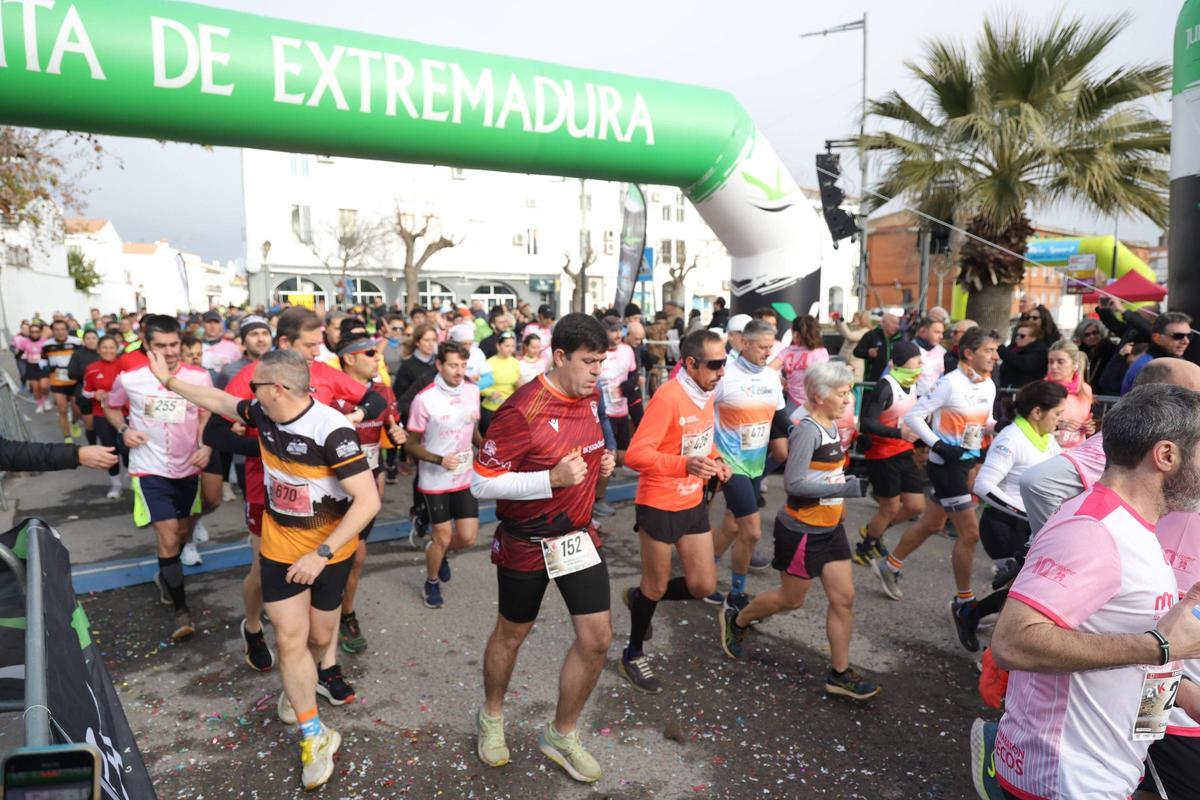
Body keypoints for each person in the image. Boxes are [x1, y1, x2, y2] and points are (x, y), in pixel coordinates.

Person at [148, 347, 380, 792]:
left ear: (278, 388)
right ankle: (315, 734)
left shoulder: (332, 430)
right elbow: (219, 401)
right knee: (289, 638)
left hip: (329, 550)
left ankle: (301, 687)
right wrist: (170, 382)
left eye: (255, 385)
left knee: (317, 637)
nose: (248, 393)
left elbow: (367, 501)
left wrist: (323, 554)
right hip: (279, 547)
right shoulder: (265, 413)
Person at [987, 383, 1200, 800]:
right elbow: (1012, 643)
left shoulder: (1136, 527)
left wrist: (1186, 694)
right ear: (1167, 456)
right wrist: (1159, 646)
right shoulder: (1094, 530)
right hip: (1063, 780)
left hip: (1106, 771)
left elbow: (1133, 647)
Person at [470, 313, 616, 783]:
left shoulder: (591, 398)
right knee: (512, 635)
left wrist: (602, 468)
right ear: (559, 357)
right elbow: (480, 483)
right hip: (526, 542)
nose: (597, 371)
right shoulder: (521, 409)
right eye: (589, 361)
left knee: (597, 639)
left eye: (602, 361)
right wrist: (548, 479)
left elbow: (583, 457)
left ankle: (562, 733)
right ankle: (492, 716)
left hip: (576, 537)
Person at [218, 307, 389, 697]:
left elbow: (374, 401)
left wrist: (350, 421)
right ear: (285, 346)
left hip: (329, 505)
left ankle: (325, 669)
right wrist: (273, 445)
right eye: (310, 345)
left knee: (326, 595)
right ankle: (252, 627)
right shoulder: (255, 376)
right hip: (268, 496)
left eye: (321, 342)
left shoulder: (325, 372)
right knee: (266, 577)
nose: (320, 350)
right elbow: (217, 429)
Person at [718, 361, 879, 700]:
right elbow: (795, 483)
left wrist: (839, 503)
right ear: (819, 396)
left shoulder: (832, 424)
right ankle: (739, 619)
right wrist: (844, 488)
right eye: (842, 393)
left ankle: (839, 673)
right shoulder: (807, 429)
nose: (849, 398)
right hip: (802, 529)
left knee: (844, 598)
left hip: (830, 528)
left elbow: (827, 472)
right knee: (792, 600)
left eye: (849, 391)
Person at [618, 330, 731, 694]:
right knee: (656, 584)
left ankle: (639, 601)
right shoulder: (669, 397)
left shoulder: (705, 391)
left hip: (691, 500)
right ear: (691, 363)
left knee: (703, 585)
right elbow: (636, 455)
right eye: (715, 364)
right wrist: (686, 465)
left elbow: (701, 438)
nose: (722, 371)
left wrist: (716, 460)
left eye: (724, 362)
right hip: (659, 503)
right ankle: (633, 653)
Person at [874, 328, 1000, 645]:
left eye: (996, 350)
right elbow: (915, 419)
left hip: (967, 462)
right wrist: (939, 445)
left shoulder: (989, 384)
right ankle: (963, 601)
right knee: (970, 534)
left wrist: (998, 426)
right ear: (969, 353)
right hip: (946, 467)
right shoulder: (948, 383)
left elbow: (983, 421)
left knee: (931, 522)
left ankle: (889, 565)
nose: (996, 356)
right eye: (989, 350)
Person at [103, 314, 213, 642]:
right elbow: (110, 407)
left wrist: (206, 444)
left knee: (180, 533)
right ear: (147, 346)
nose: (169, 352)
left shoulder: (199, 377)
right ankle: (181, 610)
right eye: (161, 346)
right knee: (167, 537)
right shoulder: (130, 378)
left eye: (174, 344)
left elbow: (207, 413)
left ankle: (166, 574)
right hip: (149, 468)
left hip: (188, 466)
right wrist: (124, 429)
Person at [955, 380, 1066, 651]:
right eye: (1057, 414)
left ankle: (972, 615)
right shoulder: (1011, 438)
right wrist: (1025, 512)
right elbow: (982, 486)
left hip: (1029, 527)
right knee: (1020, 592)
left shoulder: (1046, 438)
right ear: (1037, 412)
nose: (1059, 421)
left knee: (1023, 591)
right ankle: (995, 656)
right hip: (1002, 526)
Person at [330, 333, 405, 653]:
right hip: (331, 485)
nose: (379, 358)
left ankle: (344, 614)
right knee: (343, 555)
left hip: (369, 479)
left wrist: (397, 434)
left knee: (355, 558)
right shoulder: (328, 391)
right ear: (349, 358)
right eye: (371, 353)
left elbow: (392, 428)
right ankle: (329, 616)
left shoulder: (383, 390)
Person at [708, 320, 786, 609]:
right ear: (744, 344)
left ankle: (704, 573)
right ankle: (737, 594)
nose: (768, 353)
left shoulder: (770, 377)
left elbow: (780, 417)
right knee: (751, 531)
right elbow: (701, 411)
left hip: (756, 463)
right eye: (762, 347)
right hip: (730, 464)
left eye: (771, 347)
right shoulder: (724, 376)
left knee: (731, 525)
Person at [405, 341, 481, 609]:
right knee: (442, 536)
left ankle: (438, 553)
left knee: (468, 538)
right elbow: (410, 443)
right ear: (439, 365)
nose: (459, 371)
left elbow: (471, 427)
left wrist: (484, 447)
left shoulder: (472, 390)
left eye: (463, 365)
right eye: (453, 365)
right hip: (435, 478)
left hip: (464, 474)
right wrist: (439, 459)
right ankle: (432, 581)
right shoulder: (424, 399)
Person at [853, 342, 924, 566]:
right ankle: (864, 549)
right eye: (917, 360)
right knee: (890, 507)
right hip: (882, 453)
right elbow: (867, 422)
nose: (921, 364)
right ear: (904, 361)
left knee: (915, 506)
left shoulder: (913, 385)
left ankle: (874, 531)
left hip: (904, 451)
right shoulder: (886, 386)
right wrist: (897, 432)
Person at [593, 316, 638, 517]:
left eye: (620, 330)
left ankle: (600, 491)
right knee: (607, 457)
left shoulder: (627, 350)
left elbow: (633, 373)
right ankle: (597, 499)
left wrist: (631, 384)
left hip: (622, 409)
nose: (618, 334)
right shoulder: (597, 352)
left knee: (620, 456)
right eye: (614, 330)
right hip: (603, 412)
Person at [81, 335, 124, 499]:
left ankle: (135, 480)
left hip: (125, 414)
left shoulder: (124, 366)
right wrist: (94, 394)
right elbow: (85, 392)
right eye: (104, 347)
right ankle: (116, 484)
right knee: (110, 450)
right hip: (101, 415)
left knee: (128, 451)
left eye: (111, 347)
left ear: (117, 348)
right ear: (99, 350)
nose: (108, 350)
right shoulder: (92, 368)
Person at [1121, 311, 1193, 395]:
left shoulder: (1176, 361)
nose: (1186, 341)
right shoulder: (1146, 367)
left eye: (1189, 336)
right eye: (1178, 336)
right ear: (1157, 338)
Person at [1044, 339, 1094, 449]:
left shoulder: (1085, 389)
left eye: (1060, 362)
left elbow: (1083, 422)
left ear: (1075, 365)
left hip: (1077, 450)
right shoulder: (1043, 388)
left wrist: (1088, 427)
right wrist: (1057, 425)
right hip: (1050, 450)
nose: (1054, 366)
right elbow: (1033, 424)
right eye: (1050, 361)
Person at [41, 319, 83, 443]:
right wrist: (45, 374)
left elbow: (82, 358)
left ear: (67, 330)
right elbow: (42, 361)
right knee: (62, 409)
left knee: (77, 410)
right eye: (57, 330)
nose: (60, 332)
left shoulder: (76, 342)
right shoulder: (47, 345)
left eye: (63, 329)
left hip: (74, 381)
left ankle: (74, 423)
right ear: (53, 331)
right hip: (57, 381)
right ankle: (67, 437)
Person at [775, 315, 828, 408]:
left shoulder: (788, 351)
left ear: (796, 333)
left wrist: (782, 381)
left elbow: (768, 370)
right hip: (814, 401)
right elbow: (823, 378)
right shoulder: (820, 352)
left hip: (793, 401)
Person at [66, 329, 100, 449]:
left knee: (105, 424)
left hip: (103, 393)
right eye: (88, 338)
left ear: (98, 340)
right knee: (90, 424)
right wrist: (89, 373)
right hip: (84, 392)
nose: (91, 341)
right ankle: (93, 447)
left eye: (94, 338)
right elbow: (71, 374)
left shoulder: (103, 352)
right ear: (84, 341)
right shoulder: (77, 354)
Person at [481, 331, 520, 434]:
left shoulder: (516, 363)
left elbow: (517, 385)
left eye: (512, 346)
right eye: (507, 346)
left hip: (509, 409)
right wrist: (490, 393)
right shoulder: (488, 363)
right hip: (490, 408)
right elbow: (479, 386)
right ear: (498, 346)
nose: (510, 349)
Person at [997, 320, 1048, 390]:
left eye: (1022, 336)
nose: (1018, 338)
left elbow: (1022, 363)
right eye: (1016, 335)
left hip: (1024, 390)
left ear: (1033, 338)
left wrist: (1000, 347)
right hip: (1005, 388)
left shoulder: (1039, 350)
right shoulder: (1013, 347)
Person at [853, 311, 903, 383]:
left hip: (893, 381)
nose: (897, 326)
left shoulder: (900, 338)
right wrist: (868, 352)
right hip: (873, 381)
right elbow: (856, 351)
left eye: (898, 324)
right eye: (894, 323)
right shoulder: (871, 335)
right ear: (883, 322)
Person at [1073, 318, 1116, 387]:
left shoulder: (1111, 350)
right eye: (1087, 335)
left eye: (1095, 332)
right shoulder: (1079, 352)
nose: (1092, 336)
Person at [912, 316, 947, 397]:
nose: (941, 336)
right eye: (937, 332)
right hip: (914, 399)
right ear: (922, 331)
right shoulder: (909, 350)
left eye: (942, 332)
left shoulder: (942, 351)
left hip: (933, 399)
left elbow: (942, 376)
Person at [835, 310, 871, 383]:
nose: (853, 320)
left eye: (855, 318)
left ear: (862, 319)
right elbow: (843, 332)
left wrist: (841, 321)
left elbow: (850, 336)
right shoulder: (856, 330)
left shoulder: (865, 331)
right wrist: (837, 320)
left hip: (854, 366)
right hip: (846, 364)